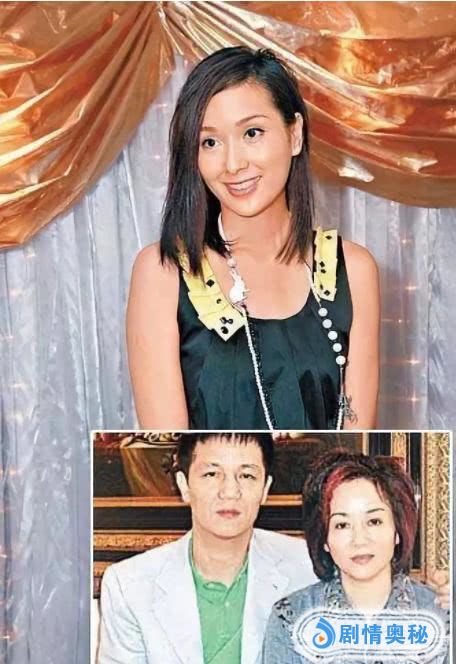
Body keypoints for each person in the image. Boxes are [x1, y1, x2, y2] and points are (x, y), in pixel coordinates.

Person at [126, 46, 380, 430]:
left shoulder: (354, 270)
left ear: (294, 134)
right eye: (210, 142)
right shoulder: (163, 273)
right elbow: (171, 448)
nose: (233, 164)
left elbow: (357, 438)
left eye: (252, 133)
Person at [97, 433, 317, 664]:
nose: (230, 491)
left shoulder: (308, 569)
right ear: (184, 485)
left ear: (265, 489)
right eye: (211, 474)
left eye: (246, 475)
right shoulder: (129, 585)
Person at [261, 450, 450, 663]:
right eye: (342, 525)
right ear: (325, 539)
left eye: (374, 521)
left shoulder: (441, 616)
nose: (359, 540)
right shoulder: (291, 618)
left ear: (397, 530)